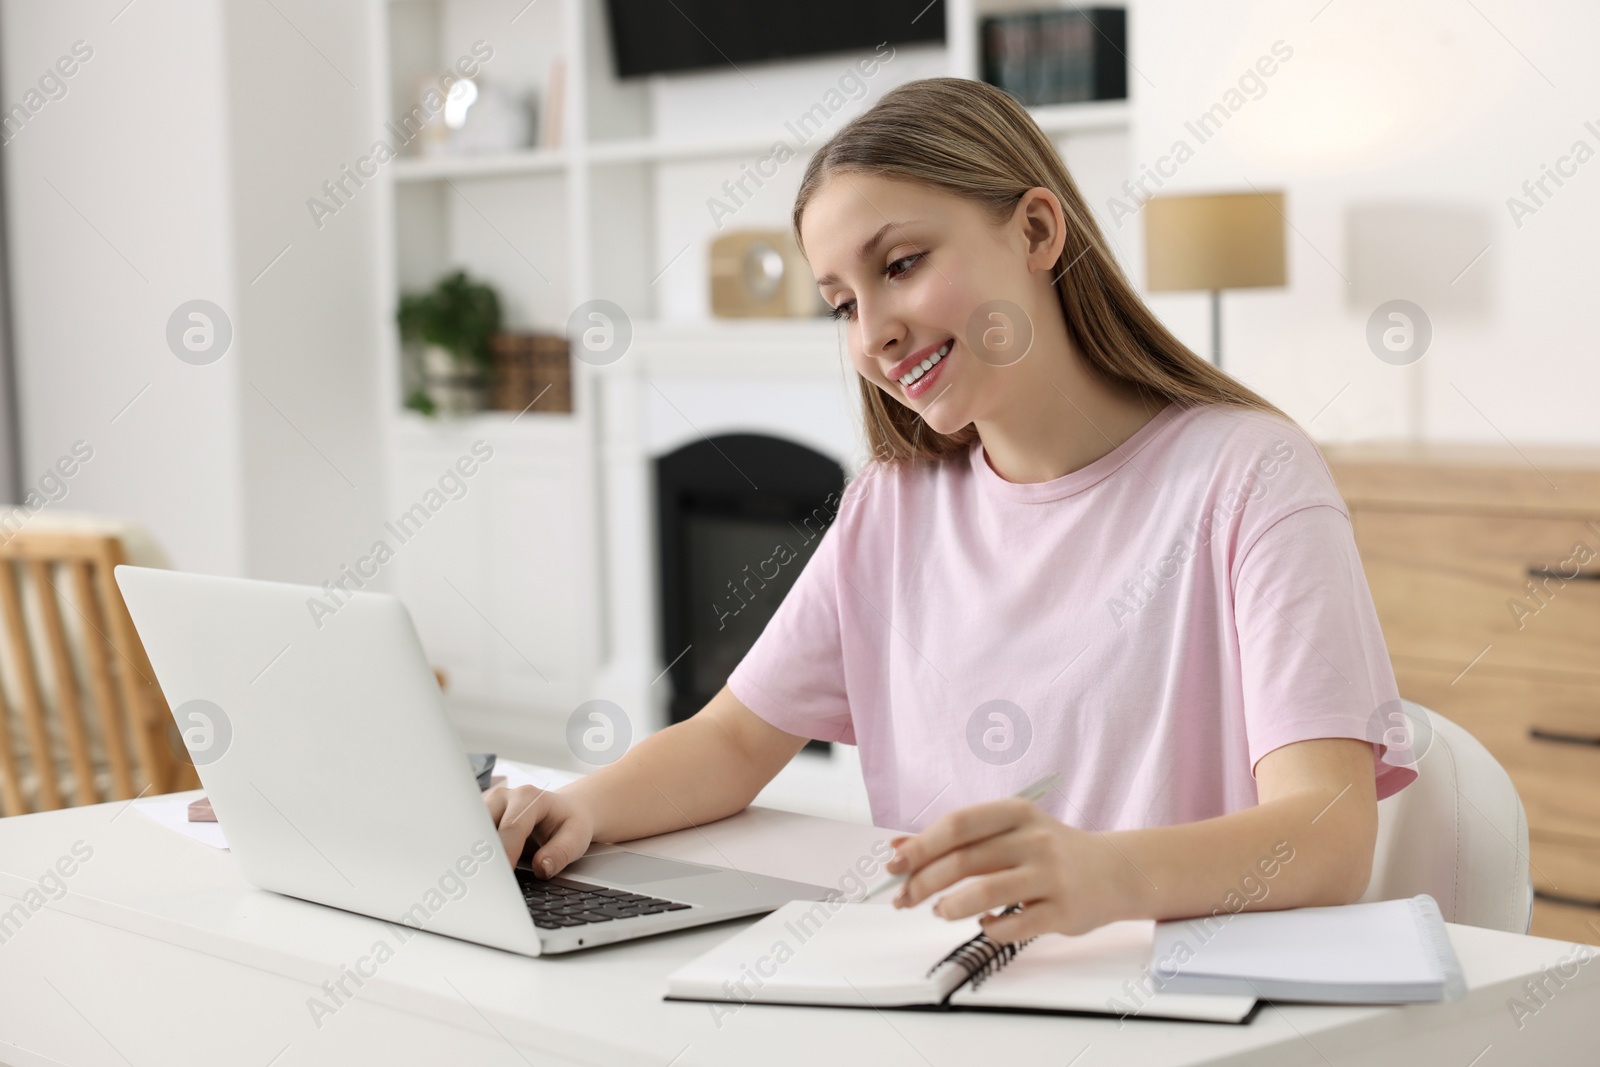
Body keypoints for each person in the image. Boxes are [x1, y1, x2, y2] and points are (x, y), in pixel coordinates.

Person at [485, 77, 1416, 944]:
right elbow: (733, 737)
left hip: (1169, 993)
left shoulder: (1250, 476)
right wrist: (584, 805)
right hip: (946, 979)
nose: (873, 332)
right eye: (841, 303)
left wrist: (1102, 876)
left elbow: (1329, 836)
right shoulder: (892, 507)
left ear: (1038, 232)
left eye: (901, 263)